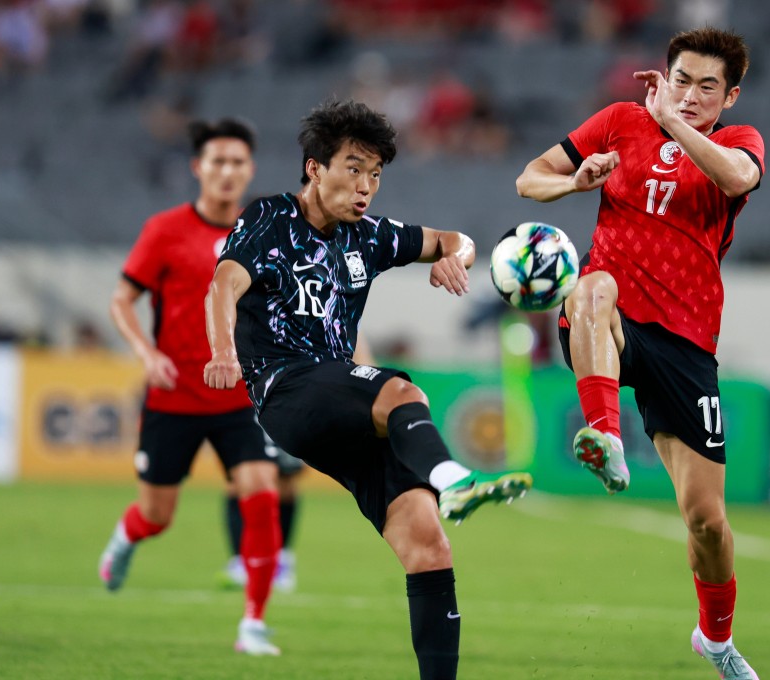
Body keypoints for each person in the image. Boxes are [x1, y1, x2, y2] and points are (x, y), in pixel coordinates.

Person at [203, 98, 532, 680]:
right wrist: (224, 351)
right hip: (286, 387)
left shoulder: (369, 236)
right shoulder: (270, 218)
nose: (366, 187)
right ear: (315, 168)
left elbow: (455, 239)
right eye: (353, 168)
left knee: (428, 546)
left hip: (338, 406)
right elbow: (224, 283)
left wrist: (455, 258)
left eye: (376, 174)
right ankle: (452, 480)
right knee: (402, 392)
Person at [516, 27, 763, 680]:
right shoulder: (619, 121)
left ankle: (715, 639)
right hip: (615, 315)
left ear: (730, 97)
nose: (690, 94)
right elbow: (529, 178)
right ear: (665, 75)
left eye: (707, 86)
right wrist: (574, 182)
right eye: (681, 80)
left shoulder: (740, 141)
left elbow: (738, 177)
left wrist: (672, 123)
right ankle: (605, 435)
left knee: (707, 521)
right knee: (590, 287)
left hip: (687, 340)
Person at [98, 118, 285, 656]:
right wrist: (147, 353)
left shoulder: (263, 232)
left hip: (240, 397)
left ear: (250, 170)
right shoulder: (164, 230)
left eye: (237, 162)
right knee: (157, 516)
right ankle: (126, 537)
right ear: (198, 168)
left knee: (262, 492)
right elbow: (121, 300)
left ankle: (253, 624)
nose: (227, 171)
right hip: (174, 397)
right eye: (217, 161)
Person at [220, 337, 376, 592]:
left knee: (286, 482)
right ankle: (241, 560)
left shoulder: (331, 315)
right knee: (239, 479)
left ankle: (281, 559)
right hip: (252, 393)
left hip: (294, 394)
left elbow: (357, 346)